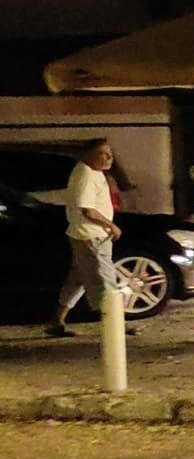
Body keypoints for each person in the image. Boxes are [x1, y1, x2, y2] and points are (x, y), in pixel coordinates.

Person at [47, 140, 120, 337]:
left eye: (110, 153)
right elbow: (87, 210)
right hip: (91, 235)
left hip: (85, 234)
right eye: (104, 154)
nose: (110, 158)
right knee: (104, 279)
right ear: (89, 155)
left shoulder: (93, 173)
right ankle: (114, 326)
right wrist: (111, 225)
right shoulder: (86, 175)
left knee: (78, 279)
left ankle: (56, 321)